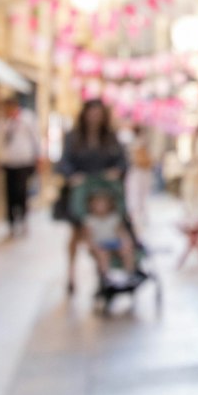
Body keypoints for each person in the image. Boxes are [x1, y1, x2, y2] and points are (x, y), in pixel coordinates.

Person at [57, 99, 127, 294]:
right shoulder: (73, 137)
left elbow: (123, 162)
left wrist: (115, 172)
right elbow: (63, 163)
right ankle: (71, 273)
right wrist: (72, 176)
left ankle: (105, 272)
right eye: (91, 112)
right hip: (81, 194)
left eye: (98, 113)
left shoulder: (110, 138)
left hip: (104, 195)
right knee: (77, 232)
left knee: (106, 232)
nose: (94, 116)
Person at [0, 96, 41, 237]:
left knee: (21, 191)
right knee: (9, 193)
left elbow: (36, 138)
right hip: (8, 162)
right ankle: (11, 223)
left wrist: (39, 155)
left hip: (24, 161)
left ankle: (23, 218)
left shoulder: (27, 119)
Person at [82, 186, 136, 283]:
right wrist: (92, 246)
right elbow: (88, 236)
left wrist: (126, 241)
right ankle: (105, 278)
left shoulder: (114, 217)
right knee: (103, 255)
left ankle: (130, 273)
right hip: (100, 244)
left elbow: (120, 232)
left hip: (114, 242)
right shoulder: (90, 220)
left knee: (126, 250)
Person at [125, 125, 153, 231]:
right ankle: (135, 214)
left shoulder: (143, 144)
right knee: (136, 193)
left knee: (142, 193)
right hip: (137, 171)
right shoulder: (134, 144)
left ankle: (141, 213)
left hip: (143, 171)